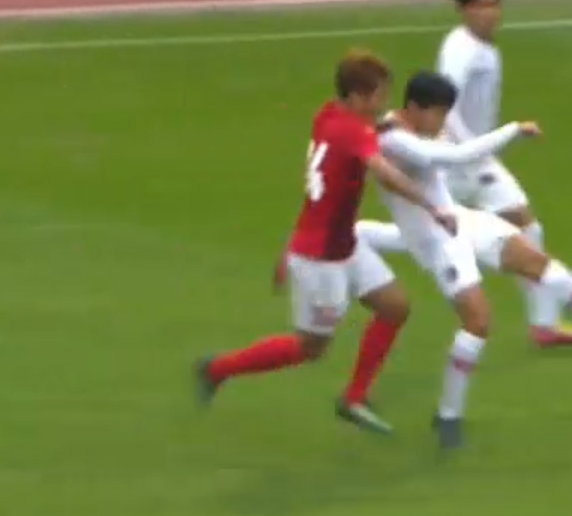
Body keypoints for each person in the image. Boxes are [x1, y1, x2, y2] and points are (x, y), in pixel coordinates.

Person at [195, 49, 456, 435]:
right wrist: (432, 206)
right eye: (380, 94)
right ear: (359, 95)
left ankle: (353, 398)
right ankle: (217, 369)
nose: (384, 101)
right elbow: (384, 172)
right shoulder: (355, 132)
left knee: (395, 307)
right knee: (310, 347)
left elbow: (329, 176)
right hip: (321, 259)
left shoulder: (328, 115)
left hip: (343, 243)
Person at [374, 70, 572, 450]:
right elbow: (456, 156)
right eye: (439, 114)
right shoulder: (394, 140)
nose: (443, 122)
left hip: (459, 220)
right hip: (438, 243)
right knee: (478, 323)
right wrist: (514, 129)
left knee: (542, 266)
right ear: (415, 108)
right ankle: (448, 415)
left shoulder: (413, 128)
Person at [356, 0, 572, 349]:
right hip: (460, 160)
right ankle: (546, 322)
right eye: (481, 5)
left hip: (469, 156)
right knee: (443, 230)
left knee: (507, 227)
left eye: (494, 4)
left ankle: (545, 324)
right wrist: (469, 152)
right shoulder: (460, 50)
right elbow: (444, 107)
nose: (490, 13)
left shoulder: (479, 47)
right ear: (464, 8)